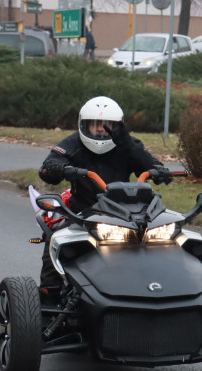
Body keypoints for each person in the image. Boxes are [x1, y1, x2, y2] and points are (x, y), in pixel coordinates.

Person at [36, 96, 172, 302]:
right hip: (82, 211)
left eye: (106, 125)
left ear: (117, 126)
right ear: (83, 124)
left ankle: (164, 290)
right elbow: (48, 168)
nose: (100, 129)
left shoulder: (128, 143)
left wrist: (158, 169)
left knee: (165, 240)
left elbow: (151, 165)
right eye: (95, 124)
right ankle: (49, 295)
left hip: (127, 213)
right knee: (55, 237)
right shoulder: (72, 143)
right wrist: (58, 168)